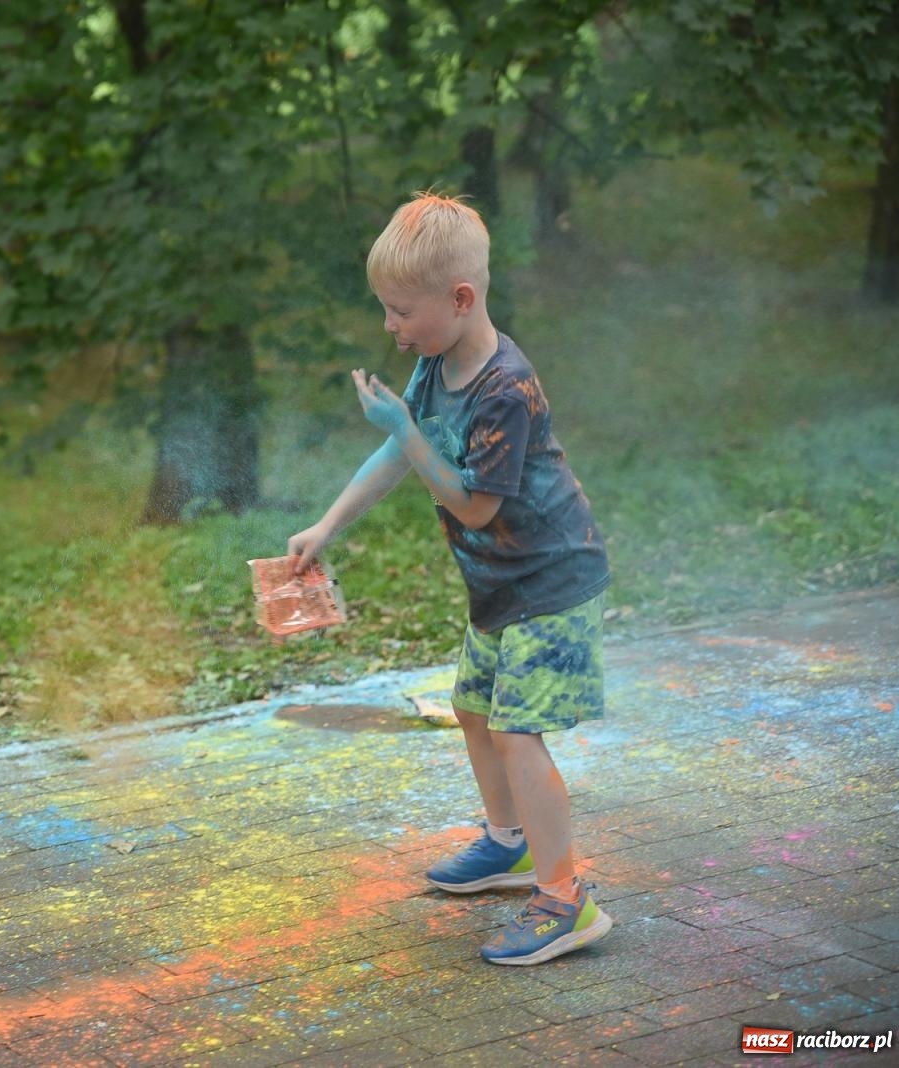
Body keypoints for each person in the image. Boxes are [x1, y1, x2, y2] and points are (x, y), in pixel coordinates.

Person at [289, 192, 613, 966]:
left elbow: (473, 506)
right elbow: (399, 455)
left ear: (460, 299)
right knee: (474, 709)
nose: (390, 326)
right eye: (387, 308)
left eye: (402, 311)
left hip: (551, 582)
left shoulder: (506, 389)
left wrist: (404, 427)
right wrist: (328, 525)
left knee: (516, 732)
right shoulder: (436, 368)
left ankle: (565, 899)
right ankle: (510, 843)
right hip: (500, 589)